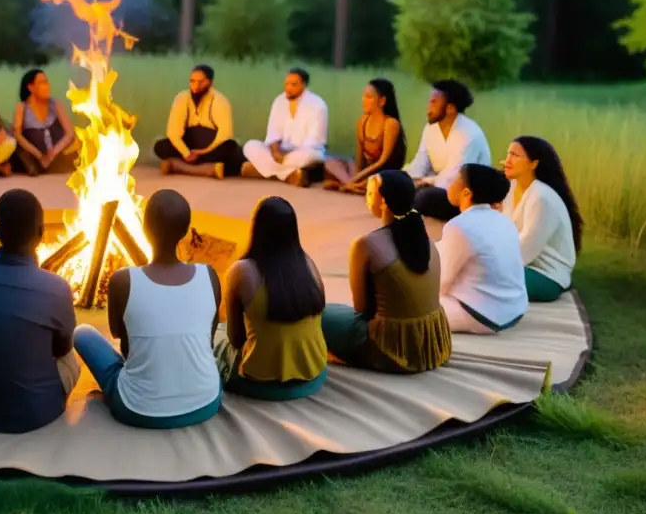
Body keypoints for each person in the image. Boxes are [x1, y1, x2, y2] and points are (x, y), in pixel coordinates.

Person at [73, 190, 223, 429]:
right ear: (185, 231)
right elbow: (210, 337)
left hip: (136, 408)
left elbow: (120, 337)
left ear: (143, 228)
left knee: (82, 333)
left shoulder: (123, 280)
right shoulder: (209, 276)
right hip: (205, 402)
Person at [0, 189, 80, 433]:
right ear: (41, 234)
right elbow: (61, 350)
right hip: (36, 412)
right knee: (75, 351)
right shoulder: (57, 288)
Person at [321, 171, 452, 372]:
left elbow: (361, 309)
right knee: (337, 310)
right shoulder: (426, 241)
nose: (366, 196)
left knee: (316, 316)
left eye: (370, 193)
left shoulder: (366, 245)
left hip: (389, 346)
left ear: (384, 202)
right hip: (432, 344)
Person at [213, 197, 329, 399]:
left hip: (260, 382)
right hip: (313, 374)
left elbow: (236, 339)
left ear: (256, 229)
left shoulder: (242, 271)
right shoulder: (307, 263)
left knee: (213, 336)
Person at [436, 164, 528, 334]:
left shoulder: (459, 226)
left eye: (455, 180)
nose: (449, 183)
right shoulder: (504, 221)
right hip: (514, 310)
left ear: (466, 193)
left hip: (480, 315)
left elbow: (441, 282)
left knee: (399, 303)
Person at [502, 136, 582, 302]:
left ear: (533, 164)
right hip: (521, 265)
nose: (507, 160)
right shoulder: (510, 189)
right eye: (508, 153)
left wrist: (491, 263)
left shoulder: (541, 198)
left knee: (483, 278)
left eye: (515, 155)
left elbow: (527, 248)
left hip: (546, 275)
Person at [405, 79, 492, 221]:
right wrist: (403, 178)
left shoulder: (468, 134)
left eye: (434, 102)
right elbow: (420, 163)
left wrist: (423, 182)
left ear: (450, 108)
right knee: (392, 183)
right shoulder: (430, 128)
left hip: (468, 196)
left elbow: (453, 177)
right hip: (439, 186)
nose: (428, 108)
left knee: (424, 197)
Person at [153, 64, 245, 179]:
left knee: (230, 147)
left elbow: (224, 135)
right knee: (160, 146)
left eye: (201, 82)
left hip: (210, 146)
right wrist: (186, 153)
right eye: (192, 81)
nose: (195, 86)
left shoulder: (220, 101)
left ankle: (176, 165)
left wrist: (202, 152)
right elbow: (173, 132)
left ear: (210, 82)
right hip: (188, 144)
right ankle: (209, 169)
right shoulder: (182, 98)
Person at [242, 68, 328, 187]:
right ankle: (289, 174)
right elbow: (273, 132)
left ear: (304, 85)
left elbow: (315, 141)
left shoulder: (317, 105)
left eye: (293, 85)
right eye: (286, 84)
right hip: (280, 153)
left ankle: (264, 171)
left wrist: (288, 154)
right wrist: (276, 151)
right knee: (251, 145)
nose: (288, 88)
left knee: (310, 155)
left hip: (302, 152)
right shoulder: (279, 101)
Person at [324, 78, 407, 194]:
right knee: (330, 161)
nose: (363, 100)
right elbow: (359, 158)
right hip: (365, 171)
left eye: (369, 97)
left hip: (383, 172)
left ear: (382, 101)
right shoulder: (362, 122)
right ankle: (353, 186)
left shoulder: (391, 124)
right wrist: (357, 175)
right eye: (363, 96)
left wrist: (357, 177)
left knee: (379, 181)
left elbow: (382, 162)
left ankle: (349, 185)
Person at [11, 68, 78, 176]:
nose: (47, 86)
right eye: (42, 83)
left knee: (80, 143)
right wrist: (39, 155)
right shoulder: (22, 107)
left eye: (47, 82)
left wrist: (53, 153)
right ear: (31, 87)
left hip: (57, 153)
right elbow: (17, 135)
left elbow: (70, 133)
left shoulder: (56, 104)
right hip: (34, 155)